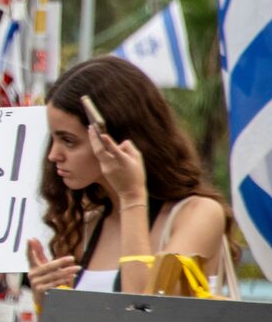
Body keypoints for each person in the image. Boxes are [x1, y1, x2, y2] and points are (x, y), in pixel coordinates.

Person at [26, 56, 232, 302]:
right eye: (53, 139)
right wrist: (44, 300)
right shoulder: (86, 223)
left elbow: (142, 317)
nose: (53, 155)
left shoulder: (197, 214)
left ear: (117, 139)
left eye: (69, 141)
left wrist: (132, 197)